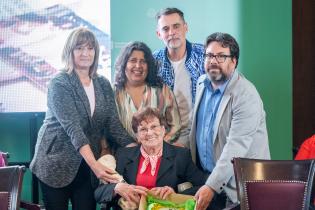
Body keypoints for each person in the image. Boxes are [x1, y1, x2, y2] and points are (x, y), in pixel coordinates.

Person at [29, 28, 134, 210]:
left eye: (90, 48)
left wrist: (139, 147)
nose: (85, 53)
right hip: (55, 163)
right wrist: (96, 166)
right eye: (79, 48)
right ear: (70, 51)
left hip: (86, 166)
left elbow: (113, 124)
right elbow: (73, 129)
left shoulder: (102, 83)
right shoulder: (60, 83)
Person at [189, 32, 270, 210]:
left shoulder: (246, 95)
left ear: (233, 61)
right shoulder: (202, 83)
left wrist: (211, 186)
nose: (213, 61)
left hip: (239, 188)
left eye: (221, 56)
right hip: (208, 178)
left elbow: (236, 147)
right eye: (209, 55)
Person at [94, 107, 208, 208]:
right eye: (143, 129)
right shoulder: (123, 155)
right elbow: (98, 193)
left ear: (163, 130)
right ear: (137, 136)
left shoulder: (181, 155)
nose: (149, 133)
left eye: (154, 126)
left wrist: (174, 194)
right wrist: (116, 187)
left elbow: (205, 185)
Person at [153, 8, 205, 146]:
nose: (171, 33)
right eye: (165, 29)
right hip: (166, 135)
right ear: (159, 34)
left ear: (185, 28)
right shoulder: (153, 61)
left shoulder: (205, 56)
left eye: (176, 26)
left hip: (200, 133)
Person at [114, 41, 181, 143]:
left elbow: (175, 127)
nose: (138, 65)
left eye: (143, 61)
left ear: (149, 65)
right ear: (124, 64)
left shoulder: (162, 91)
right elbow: (108, 127)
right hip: (123, 154)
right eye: (133, 60)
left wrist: (157, 145)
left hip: (159, 154)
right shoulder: (114, 93)